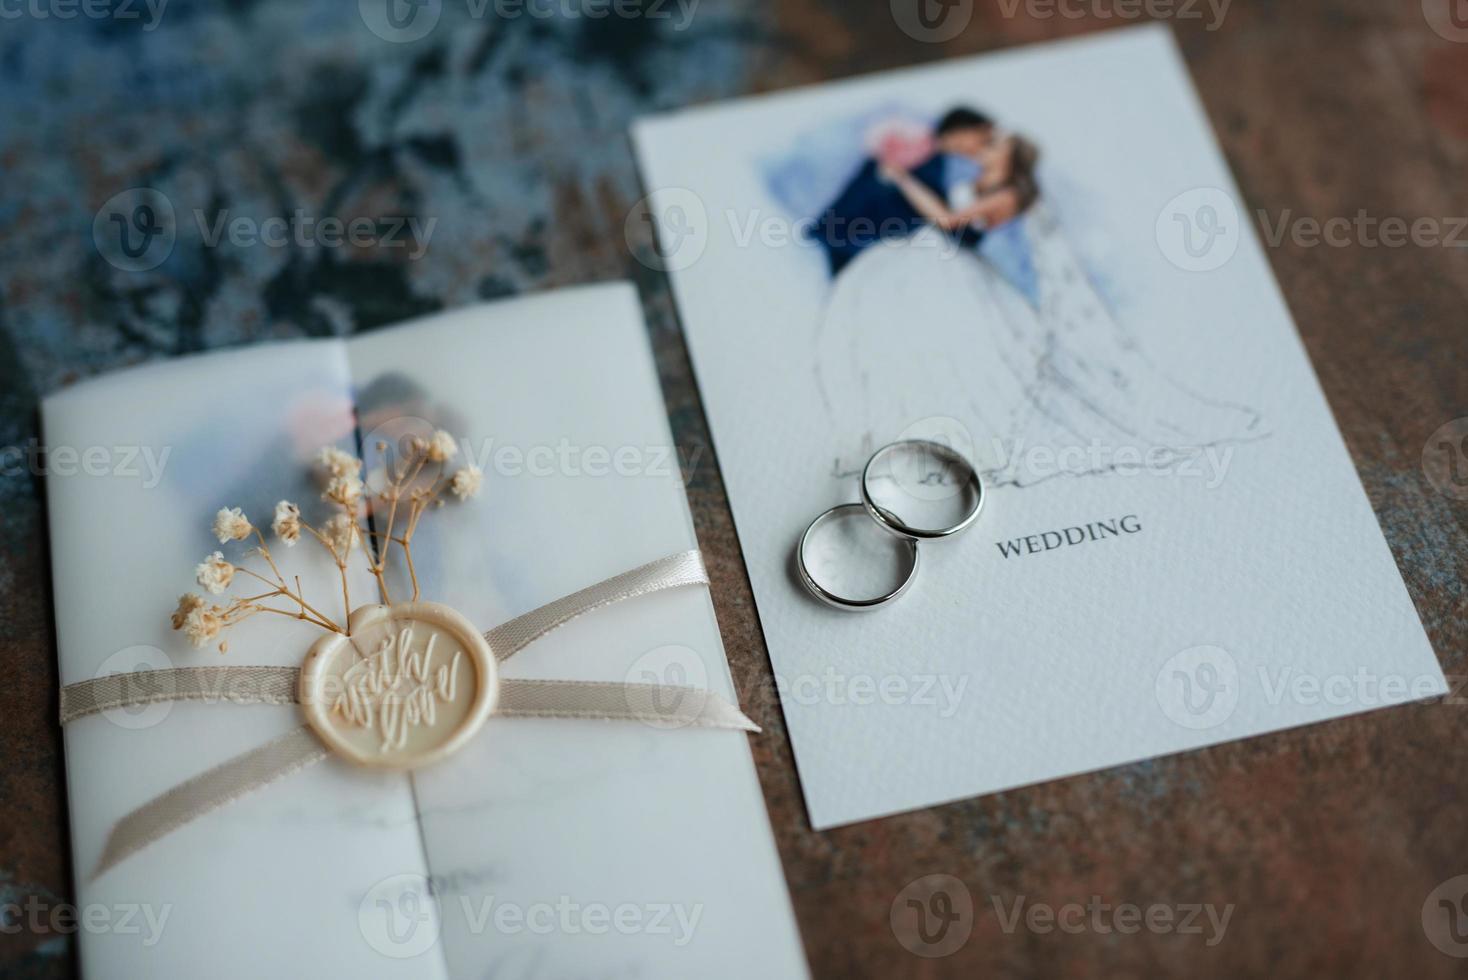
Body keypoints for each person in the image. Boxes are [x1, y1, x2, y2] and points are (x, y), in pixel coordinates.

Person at [807, 107, 995, 275]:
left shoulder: (944, 162)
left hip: (866, 238)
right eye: (984, 139)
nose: (983, 146)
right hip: (854, 234)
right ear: (967, 129)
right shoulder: (919, 146)